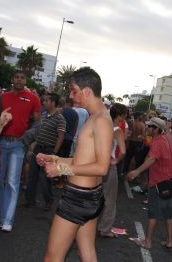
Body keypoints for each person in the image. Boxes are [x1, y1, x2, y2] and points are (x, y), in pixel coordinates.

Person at [36, 68, 113, 262]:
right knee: (86, 254)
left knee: (52, 258)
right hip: (89, 197)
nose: (70, 96)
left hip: (79, 199)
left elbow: (102, 167)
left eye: (74, 91)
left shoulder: (101, 120)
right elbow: (82, 162)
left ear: (87, 91)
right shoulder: (95, 117)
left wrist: (61, 169)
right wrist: (54, 159)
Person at [0, 71, 41, 232]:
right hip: (1, 142)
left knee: (12, 182)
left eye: (22, 78)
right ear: (12, 79)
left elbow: (37, 122)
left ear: (25, 80)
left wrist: (28, 137)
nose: (19, 80)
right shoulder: (2, 97)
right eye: (16, 77)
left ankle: (7, 220)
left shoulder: (33, 98)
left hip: (19, 145)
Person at [127, 117, 172, 250]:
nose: (146, 128)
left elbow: (152, 159)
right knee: (168, 213)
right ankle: (169, 241)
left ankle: (147, 242)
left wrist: (136, 171)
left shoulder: (158, 142)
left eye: (149, 126)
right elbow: (167, 130)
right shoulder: (166, 138)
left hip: (158, 182)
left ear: (155, 130)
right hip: (169, 180)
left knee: (153, 213)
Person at [24, 93, 66, 209]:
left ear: (53, 102)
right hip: (38, 149)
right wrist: (33, 146)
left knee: (45, 178)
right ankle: (30, 201)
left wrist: (54, 154)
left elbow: (61, 137)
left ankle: (49, 201)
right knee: (32, 176)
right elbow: (38, 133)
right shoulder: (43, 114)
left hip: (49, 150)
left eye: (46, 101)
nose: (44, 103)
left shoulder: (60, 118)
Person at [98, 103, 127, 238]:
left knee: (96, 196)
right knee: (110, 199)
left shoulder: (103, 126)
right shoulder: (117, 130)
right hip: (109, 166)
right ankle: (105, 229)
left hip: (97, 164)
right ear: (120, 115)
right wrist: (115, 161)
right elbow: (123, 151)